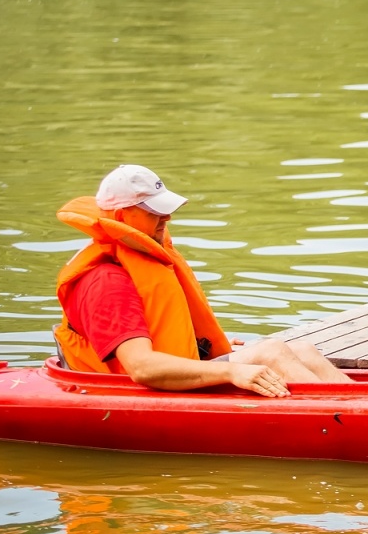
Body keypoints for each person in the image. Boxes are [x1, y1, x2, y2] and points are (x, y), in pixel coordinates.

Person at [54, 165, 352, 396]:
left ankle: (364, 405)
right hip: (130, 391)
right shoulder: (106, 280)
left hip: (166, 378)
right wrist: (230, 373)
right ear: (121, 215)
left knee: (301, 350)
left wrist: (200, 348)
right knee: (270, 353)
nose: (167, 218)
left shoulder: (139, 258)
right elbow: (142, 368)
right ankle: (349, 421)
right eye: (154, 211)